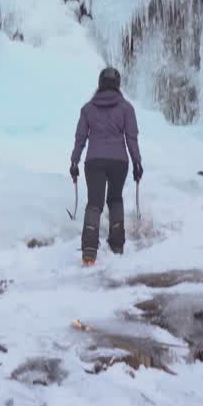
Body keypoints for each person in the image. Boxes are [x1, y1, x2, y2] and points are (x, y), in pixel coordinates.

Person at [70, 66, 143, 266]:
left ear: (100, 84)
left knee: (94, 203)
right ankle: (117, 245)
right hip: (119, 161)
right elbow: (132, 138)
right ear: (118, 84)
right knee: (115, 199)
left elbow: (80, 138)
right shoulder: (127, 108)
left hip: (93, 161)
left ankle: (89, 253)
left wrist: (74, 161)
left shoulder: (87, 109)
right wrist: (137, 162)